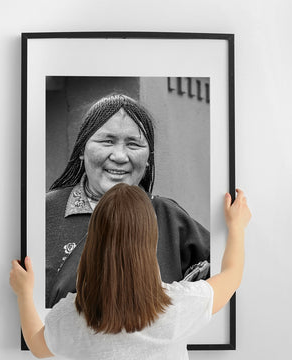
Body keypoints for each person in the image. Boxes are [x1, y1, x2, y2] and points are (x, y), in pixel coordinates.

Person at [10, 184, 251, 360]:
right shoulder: (181, 307)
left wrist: (24, 292)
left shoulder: (76, 317)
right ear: (152, 241)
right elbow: (232, 275)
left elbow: (37, 345)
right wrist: (236, 227)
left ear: (92, 242)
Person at [46, 93, 211, 308]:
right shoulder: (44, 212)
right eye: (107, 141)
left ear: (148, 159)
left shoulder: (167, 216)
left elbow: (226, 277)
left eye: (133, 144)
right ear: (81, 151)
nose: (120, 156)